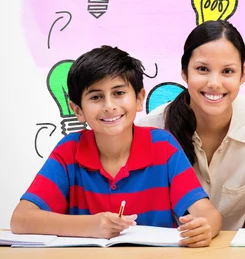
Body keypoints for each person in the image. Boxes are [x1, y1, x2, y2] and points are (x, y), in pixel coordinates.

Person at [11, 46, 221, 247]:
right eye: (96, 97)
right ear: (78, 110)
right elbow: (21, 219)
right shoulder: (69, 150)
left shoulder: (163, 146)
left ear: (139, 99)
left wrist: (205, 228)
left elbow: (207, 213)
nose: (109, 106)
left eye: (119, 93)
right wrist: (91, 225)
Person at [136, 21, 245, 231]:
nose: (214, 83)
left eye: (227, 71)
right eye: (202, 69)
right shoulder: (152, 129)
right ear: (184, 72)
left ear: (243, 74)